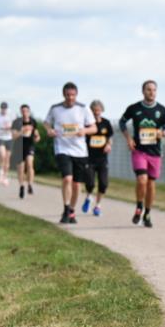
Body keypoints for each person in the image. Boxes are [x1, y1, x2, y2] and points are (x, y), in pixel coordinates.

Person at [119, 80, 165, 228]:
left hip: (155, 152)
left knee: (151, 184)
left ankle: (147, 213)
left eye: (154, 90)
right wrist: (128, 139)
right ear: (143, 91)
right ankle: (139, 207)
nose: (151, 92)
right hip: (139, 151)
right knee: (142, 180)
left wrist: (163, 133)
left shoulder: (161, 109)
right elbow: (122, 122)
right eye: (148, 90)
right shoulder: (134, 108)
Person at [44, 83, 96, 224]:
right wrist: (49, 130)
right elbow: (46, 123)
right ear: (64, 94)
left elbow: (94, 127)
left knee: (76, 184)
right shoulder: (55, 109)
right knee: (67, 178)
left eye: (73, 95)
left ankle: (72, 211)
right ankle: (66, 208)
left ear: (76, 94)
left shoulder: (83, 108)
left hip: (80, 151)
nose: (70, 98)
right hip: (62, 148)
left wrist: (84, 131)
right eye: (68, 95)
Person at [82, 100, 113, 216]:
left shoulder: (106, 123)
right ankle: (89, 197)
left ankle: (98, 206)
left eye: (98, 111)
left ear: (102, 111)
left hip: (102, 159)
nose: (96, 113)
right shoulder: (87, 124)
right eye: (94, 111)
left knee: (103, 184)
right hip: (89, 158)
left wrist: (109, 145)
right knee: (90, 183)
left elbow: (110, 137)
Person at [11, 104, 41, 199]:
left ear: (29, 112)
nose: (25, 113)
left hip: (29, 145)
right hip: (19, 147)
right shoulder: (16, 122)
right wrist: (22, 131)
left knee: (29, 163)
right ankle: (21, 186)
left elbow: (36, 134)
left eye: (26, 111)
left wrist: (37, 138)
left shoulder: (33, 121)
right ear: (21, 112)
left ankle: (30, 184)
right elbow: (13, 136)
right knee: (20, 168)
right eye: (23, 111)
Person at [0, 101, 14, 186]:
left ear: (7, 109)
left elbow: (15, 126)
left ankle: (5, 177)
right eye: (2, 108)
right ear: (0, 108)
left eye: (5, 109)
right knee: (2, 155)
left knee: (7, 159)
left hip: (9, 138)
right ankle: (0, 171)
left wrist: (10, 127)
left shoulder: (11, 115)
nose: (4, 110)